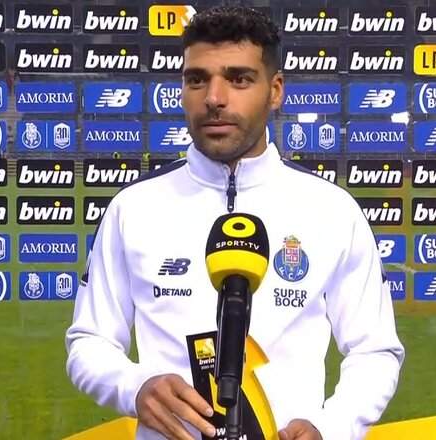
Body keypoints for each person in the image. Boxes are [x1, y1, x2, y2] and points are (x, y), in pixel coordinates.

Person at [66, 6, 404, 440]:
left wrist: (330, 426)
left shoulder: (332, 211)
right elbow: (88, 342)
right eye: (197, 79)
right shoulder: (133, 208)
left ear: (275, 90)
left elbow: (375, 351)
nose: (214, 98)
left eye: (239, 79)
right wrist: (134, 387)